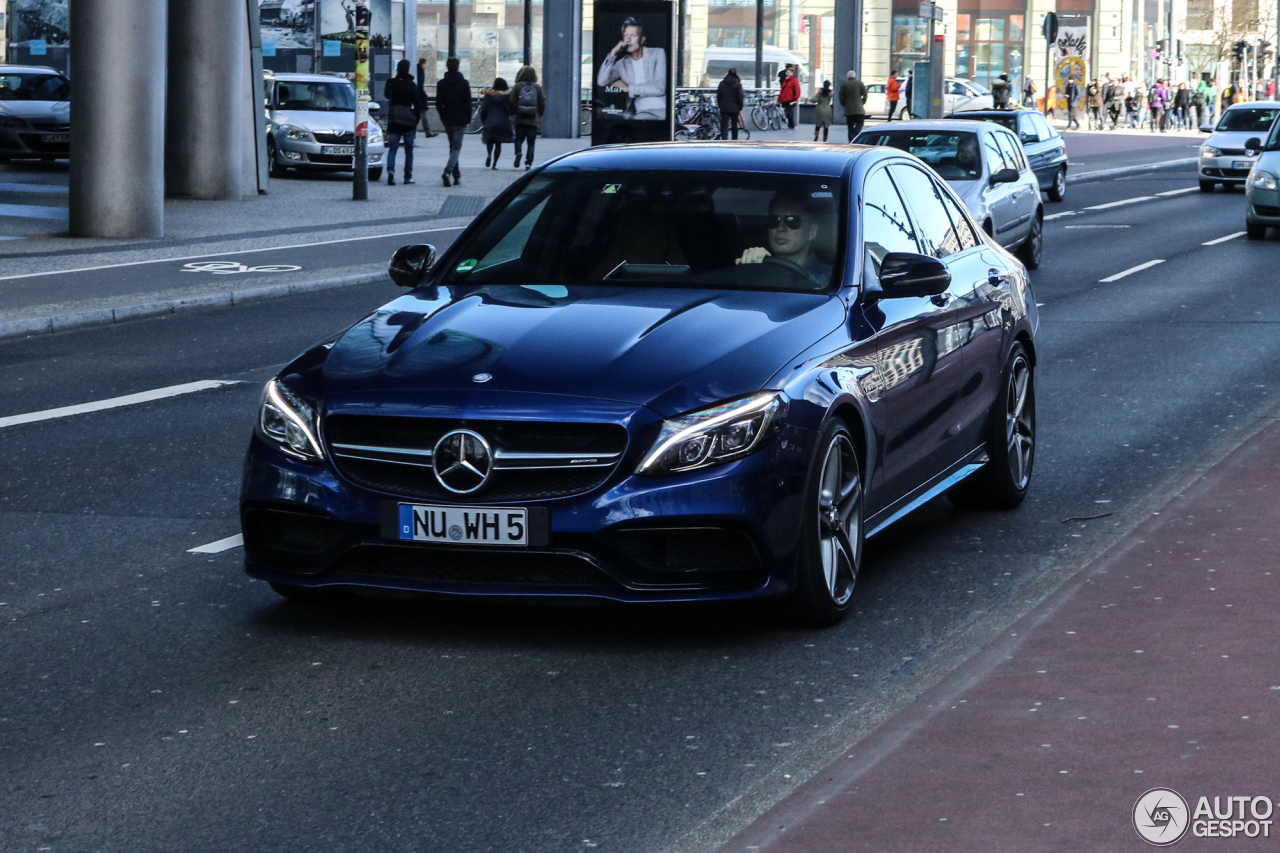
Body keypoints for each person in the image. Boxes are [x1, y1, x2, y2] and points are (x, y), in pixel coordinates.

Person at [735, 193, 831, 284]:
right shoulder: (758, 269)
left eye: (792, 221)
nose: (780, 228)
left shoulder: (831, 278)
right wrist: (752, 268)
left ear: (812, 232)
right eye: (774, 220)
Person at [596, 17, 668, 120]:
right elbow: (601, 81)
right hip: (642, 113)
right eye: (626, 35)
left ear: (642, 39)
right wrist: (612, 53)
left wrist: (629, 88)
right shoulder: (622, 63)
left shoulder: (657, 53)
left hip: (663, 109)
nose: (628, 39)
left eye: (633, 35)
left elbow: (660, 88)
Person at [383, 58, 425, 185]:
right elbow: (418, 104)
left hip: (394, 119)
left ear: (397, 69)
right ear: (408, 69)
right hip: (408, 121)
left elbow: (386, 95)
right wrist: (416, 119)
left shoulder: (391, 83)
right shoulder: (412, 85)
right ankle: (408, 176)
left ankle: (391, 171)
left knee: (393, 148)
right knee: (409, 150)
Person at [435, 56, 472, 187]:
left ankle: (456, 176)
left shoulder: (441, 84)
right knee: (456, 148)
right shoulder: (464, 83)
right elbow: (468, 103)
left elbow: (439, 103)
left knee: (453, 148)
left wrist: (443, 117)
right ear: (458, 67)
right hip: (461, 119)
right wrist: (468, 118)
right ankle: (448, 171)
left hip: (448, 119)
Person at [509, 65, 545, 170]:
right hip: (533, 119)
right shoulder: (537, 87)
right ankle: (528, 163)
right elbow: (542, 101)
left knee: (519, 139)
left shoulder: (518, 86)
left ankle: (518, 152)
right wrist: (540, 114)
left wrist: (516, 109)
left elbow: (511, 100)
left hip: (520, 118)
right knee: (531, 143)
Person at [479, 77, 514, 169]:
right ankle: (494, 164)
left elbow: (484, 109)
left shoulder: (488, 95)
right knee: (498, 144)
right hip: (502, 123)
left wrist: (484, 121)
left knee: (490, 141)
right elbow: (508, 109)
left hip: (489, 121)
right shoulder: (506, 97)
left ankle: (489, 155)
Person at [838, 70, 867, 141]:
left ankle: (851, 139)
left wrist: (844, 104)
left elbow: (841, 97)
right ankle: (855, 133)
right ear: (854, 76)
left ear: (848, 76)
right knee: (860, 123)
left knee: (850, 126)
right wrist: (862, 102)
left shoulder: (844, 84)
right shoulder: (860, 83)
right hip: (859, 110)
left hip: (849, 111)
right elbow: (865, 94)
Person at [716, 66, 744, 140]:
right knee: (734, 125)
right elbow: (740, 97)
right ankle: (734, 139)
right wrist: (740, 106)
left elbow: (718, 95)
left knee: (724, 125)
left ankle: (724, 139)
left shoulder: (722, 83)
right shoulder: (738, 84)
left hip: (724, 107)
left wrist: (720, 105)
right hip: (735, 108)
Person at [415, 56, 436, 137]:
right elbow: (420, 85)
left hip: (418, 95)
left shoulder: (416, 70)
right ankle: (427, 131)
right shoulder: (420, 71)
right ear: (423, 64)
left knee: (420, 114)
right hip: (420, 96)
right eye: (425, 64)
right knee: (423, 113)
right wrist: (424, 95)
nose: (426, 66)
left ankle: (427, 131)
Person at [778, 67, 801, 132]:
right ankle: (790, 126)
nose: (787, 73)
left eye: (788, 72)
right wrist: (779, 99)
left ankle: (792, 126)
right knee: (787, 113)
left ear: (792, 73)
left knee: (789, 113)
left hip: (791, 99)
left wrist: (796, 98)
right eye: (786, 72)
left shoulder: (794, 80)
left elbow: (797, 89)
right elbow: (782, 90)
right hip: (785, 99)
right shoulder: (786, 80)